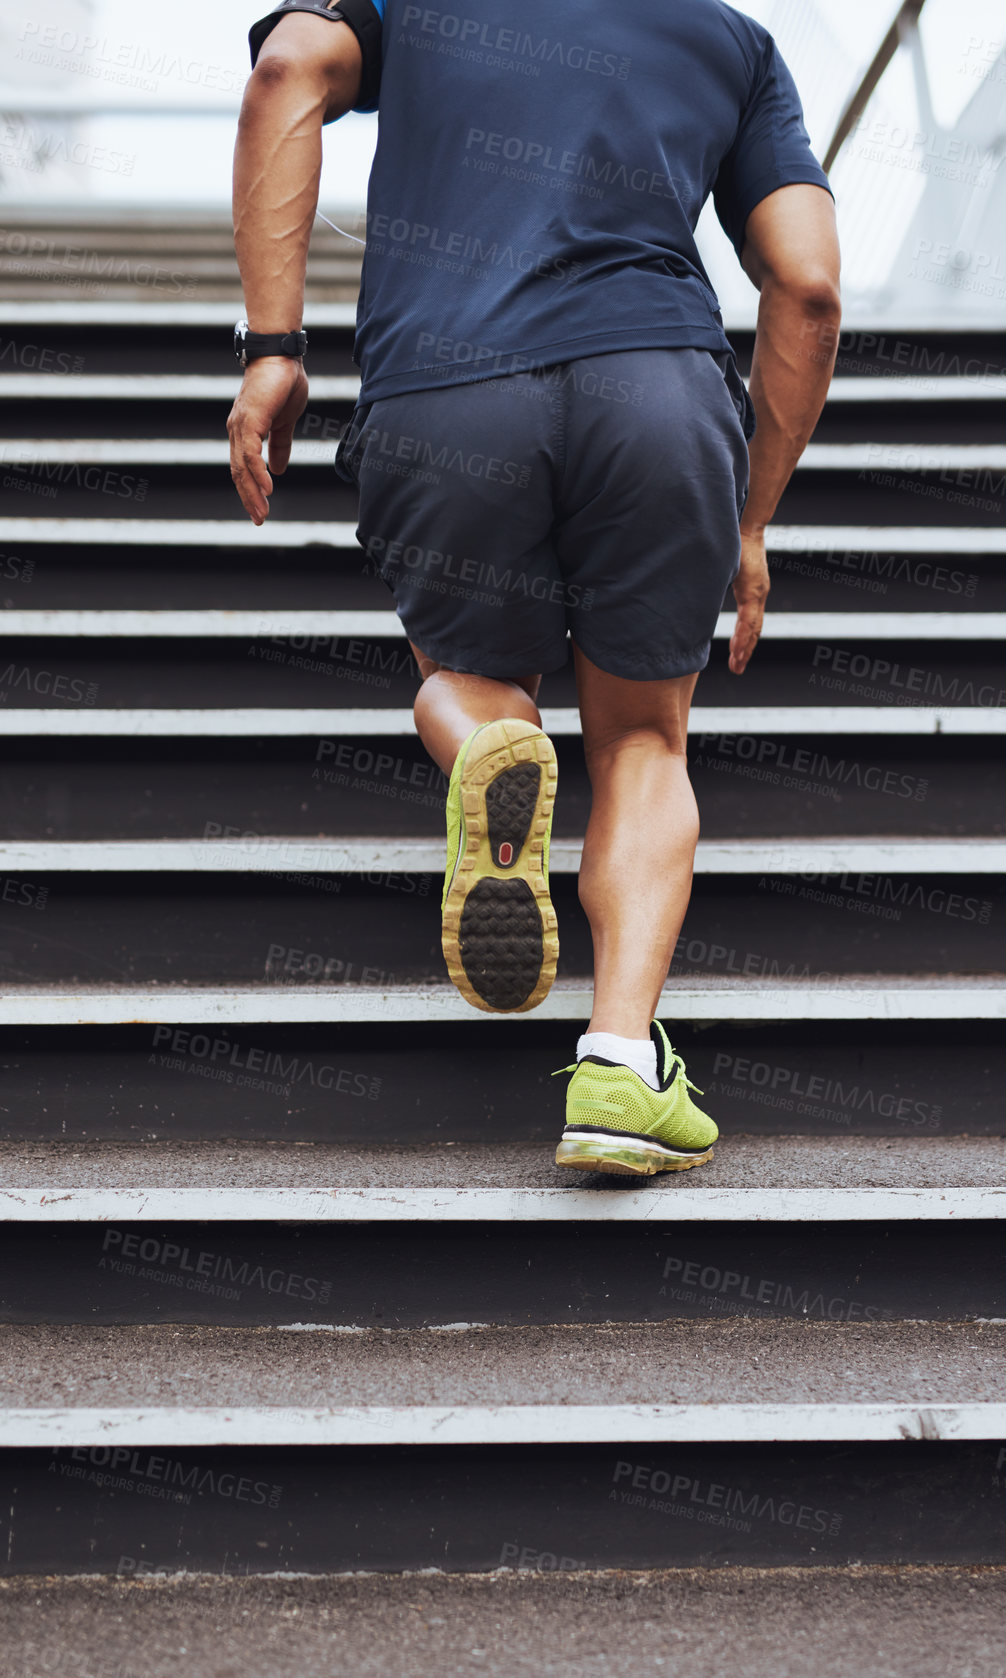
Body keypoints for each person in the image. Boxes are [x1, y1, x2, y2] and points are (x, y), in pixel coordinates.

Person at [227, 0, 841, 1178]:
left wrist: (274, 349)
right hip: (656, 393)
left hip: (448, 389)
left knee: (475, 681)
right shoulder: (734, 43)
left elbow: (287, 71)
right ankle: (618, 1065)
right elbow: (808, 288)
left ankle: (485, 751)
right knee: (643, 744)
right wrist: (751, 518)